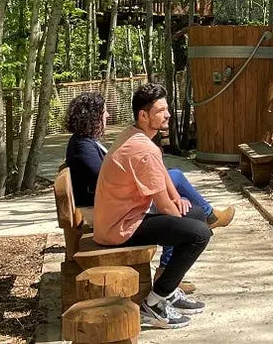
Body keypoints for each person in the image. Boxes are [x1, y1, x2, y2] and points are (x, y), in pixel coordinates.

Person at [63, 91, 234, 291]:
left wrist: (176, 199)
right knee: (194, 228)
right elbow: (102, 178)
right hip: (111, 215)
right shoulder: (83, 146)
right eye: (103, 112)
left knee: (185, 201)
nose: (107, 115)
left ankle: (201, 224)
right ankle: (162, 291)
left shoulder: (94, 141)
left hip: (117, 208)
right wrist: (173, 206)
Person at [93, 84, 212, 329]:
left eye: (167, 109)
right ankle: (155, 302)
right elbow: (165, 207)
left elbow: (163, 174)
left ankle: (167, 291)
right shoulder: (142, 149)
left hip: (124, 219)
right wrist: (174, 204)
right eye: (161, 110)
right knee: (200, 233)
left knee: (197, 214)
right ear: (143, 115)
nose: (167, 114)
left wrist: (176, 197)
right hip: (119, 229)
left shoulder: (135, 135)